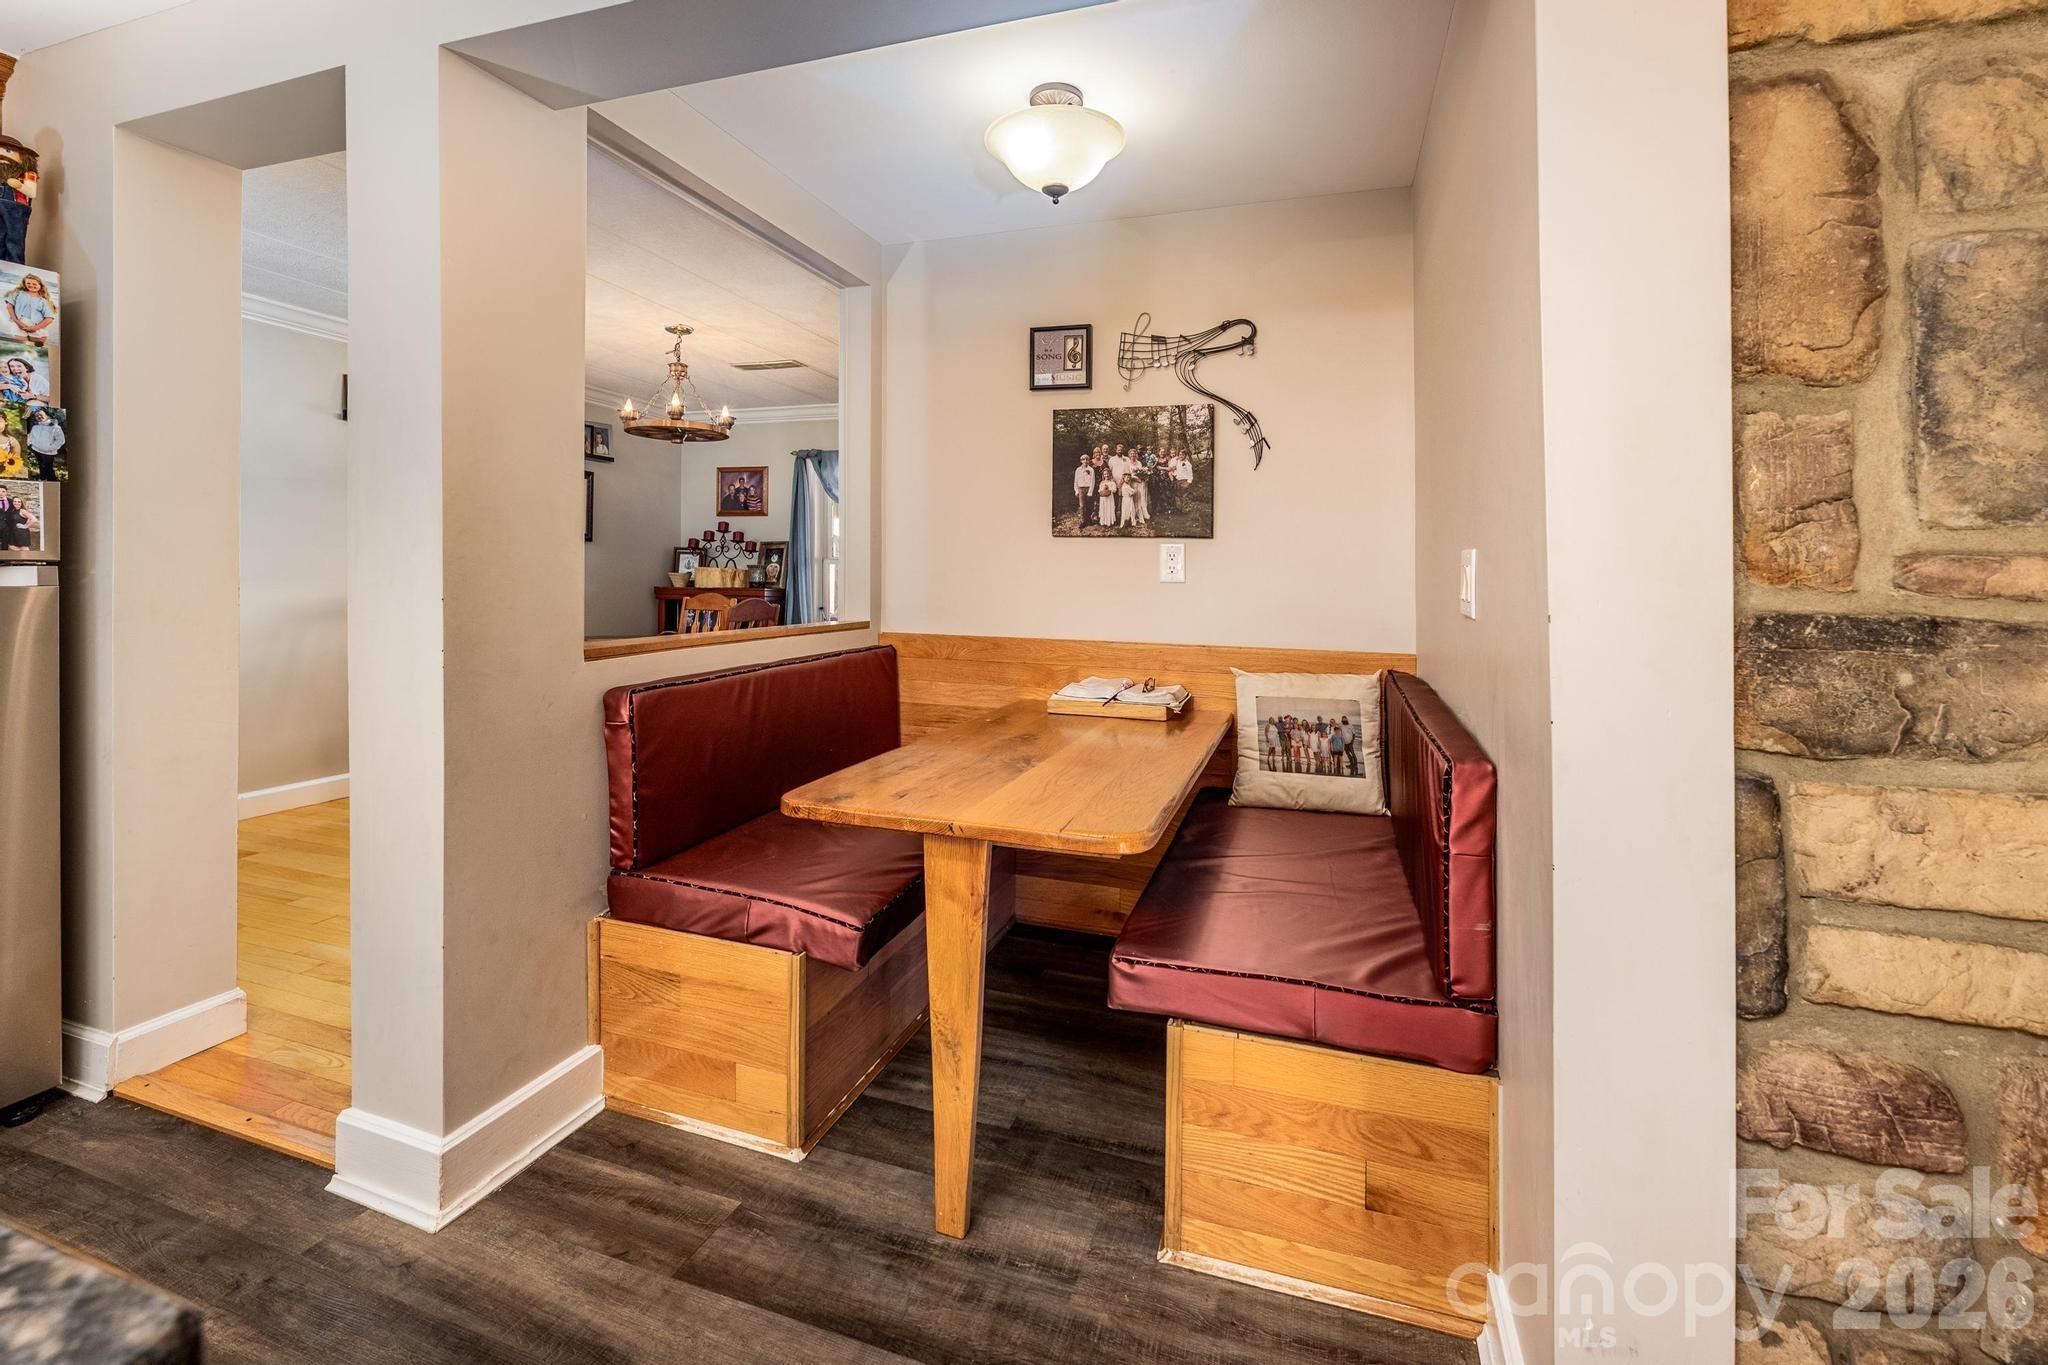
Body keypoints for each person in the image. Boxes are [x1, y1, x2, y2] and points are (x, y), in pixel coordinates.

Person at [5, 273, 53, 343]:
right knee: (21, 346)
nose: (31, 285)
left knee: (37, 349)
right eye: (28, 283)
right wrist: (17, 322)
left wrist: (35, 328)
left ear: (40, 285)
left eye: (34, 284)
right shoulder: (18, 293)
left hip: (37, 327)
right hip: (19, 324)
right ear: (25, 284)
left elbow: (49, 318)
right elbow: (9, 306)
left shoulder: (43, 301)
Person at [24, 407, 61, 480]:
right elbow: (31, 437)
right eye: (37, 416)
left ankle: (52, 481)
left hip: (49, 451)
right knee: (41, 464)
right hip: (37, 450)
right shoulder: (35, 427)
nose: (39, 416)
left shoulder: (55, 427)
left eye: (41, 414)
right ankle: (42, 477)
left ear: (47, 416)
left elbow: (60, 440)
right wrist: (29, 444)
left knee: (48, 467)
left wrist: (50, 448)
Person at [1073, 452, 1097, 528]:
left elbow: (1093, 481)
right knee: (1082, 506)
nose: (1085, 461)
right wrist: (1076, 490)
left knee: (1090, 505)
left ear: (1089, 460)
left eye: (1087, 459)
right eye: (1083, 460)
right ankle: (1083, 521)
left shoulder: (1091, 469)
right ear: (1081, 461)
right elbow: (1075, 481)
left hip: (1088, 488)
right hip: (1081, 489)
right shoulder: (1078, 469)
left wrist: (1090, 492)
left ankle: (1089, 519)